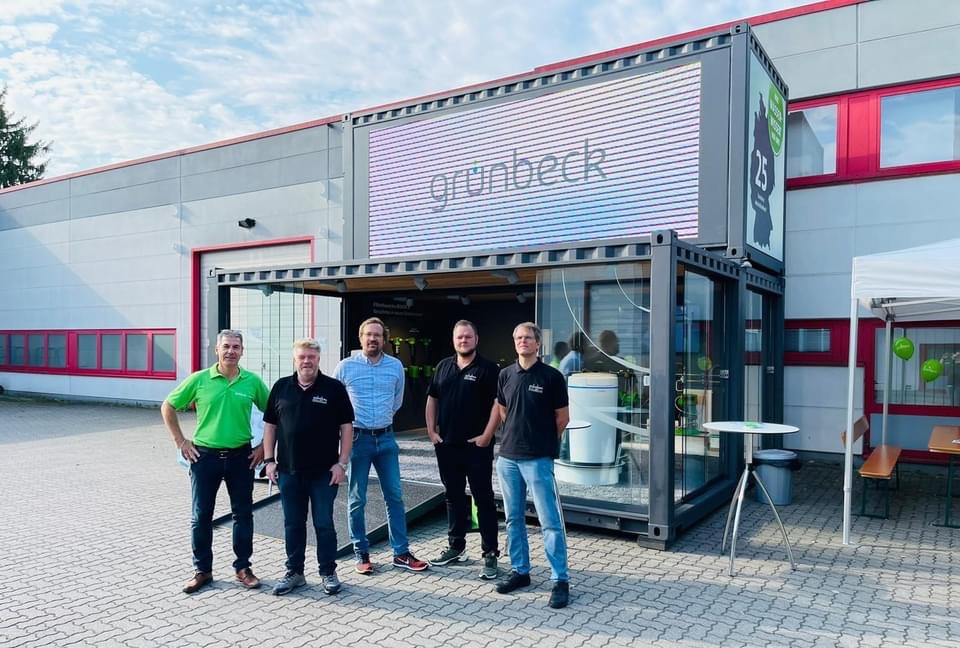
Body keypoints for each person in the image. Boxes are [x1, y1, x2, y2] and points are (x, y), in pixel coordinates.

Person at [161, 329, 270, 594]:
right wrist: (180, 442)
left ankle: (243, 568)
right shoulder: (200, 380)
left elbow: (274, 414)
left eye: (236, 347)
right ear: (217, 350)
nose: (231, 351)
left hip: (241, 458)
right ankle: (202, 571)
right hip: (204, 457)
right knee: (201, 516)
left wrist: (263, 448)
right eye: (226, 346)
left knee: (243, 514)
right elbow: (168, 406)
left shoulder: (252, 382)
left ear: (242, 351)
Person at [333, 317, 429, 574]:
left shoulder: (395, 366)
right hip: (358, 439)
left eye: (377, 335)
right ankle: (361, 553)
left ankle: (401, 553)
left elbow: (397, 401)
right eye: (368, 334)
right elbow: (335, 403)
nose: (373, 339)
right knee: (357, 499)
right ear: (361, 337)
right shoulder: (345, 367)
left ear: (384, 339)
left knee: (395, 496)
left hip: (386, 438)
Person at [262, 339, 354, 596]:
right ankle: (295, 572)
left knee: (324, 524)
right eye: (302, 357)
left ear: (318, 359)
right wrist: (269, 461)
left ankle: (328, 572)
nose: (306, 361)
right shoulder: (281, 387)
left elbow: (347, 427)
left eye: (311, 357)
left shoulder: (334, 388)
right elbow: (270, 426)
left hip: (324, 473)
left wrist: (342, 463)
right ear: (295, 359)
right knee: (293, 524)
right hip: (288, 472)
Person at [493, 322, 571, 609]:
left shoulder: (552, 377)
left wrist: (543, 442)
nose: (522, 341)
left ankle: (560, 579)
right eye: (518, 337)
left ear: (538, 343)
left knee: (549, 521)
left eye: (527, 337)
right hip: (508, 458)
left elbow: (562, 418)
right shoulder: (505, 375)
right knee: (513, 519)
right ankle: (520, 571)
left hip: (538, 459)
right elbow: (503, 411)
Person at [425, 320, 501, 579]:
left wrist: (487, 436)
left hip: (476, 446)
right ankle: (456, 546)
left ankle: (490, 553)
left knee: (483, 498)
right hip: (447, 445)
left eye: (468, 336)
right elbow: (432, 398)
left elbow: (498, 404)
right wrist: (431, 431)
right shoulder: (443, 366)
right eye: (459, 337)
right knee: (453, 496)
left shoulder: (489, 369)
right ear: (453, 339)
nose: (463, 340)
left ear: (476, 339)